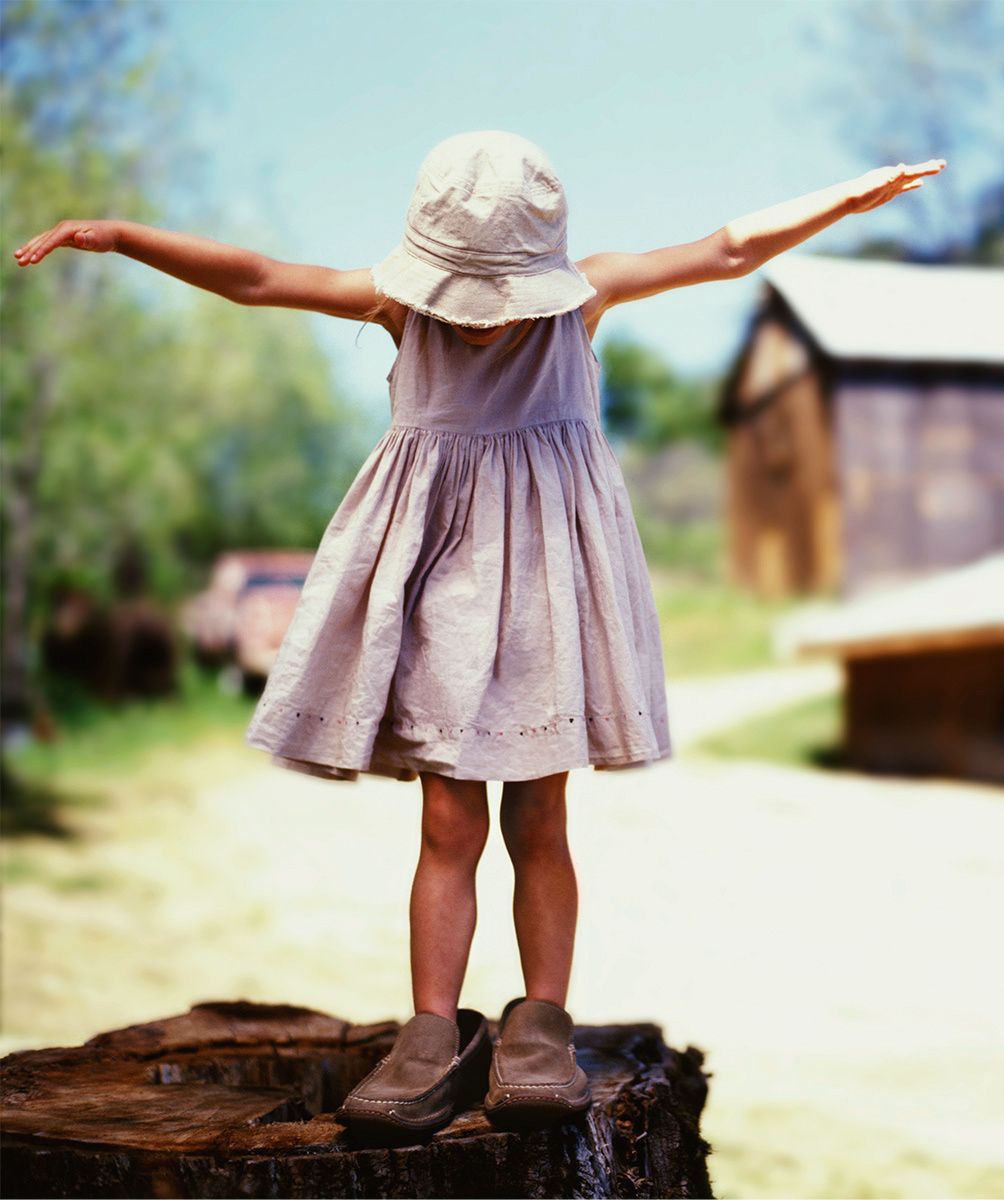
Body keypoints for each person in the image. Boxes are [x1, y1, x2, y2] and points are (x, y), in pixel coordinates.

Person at [12, 131, 944, 1141]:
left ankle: (539, 1024)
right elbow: (257, 276)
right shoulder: (398, 306)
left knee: (539, 820)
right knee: (449, 823)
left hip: (548, 590)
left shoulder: (585, 295)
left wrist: (842, 203)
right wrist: (116, 236)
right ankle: (431, 1034)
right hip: (439, 592)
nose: (487, 319)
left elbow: (724, 250)